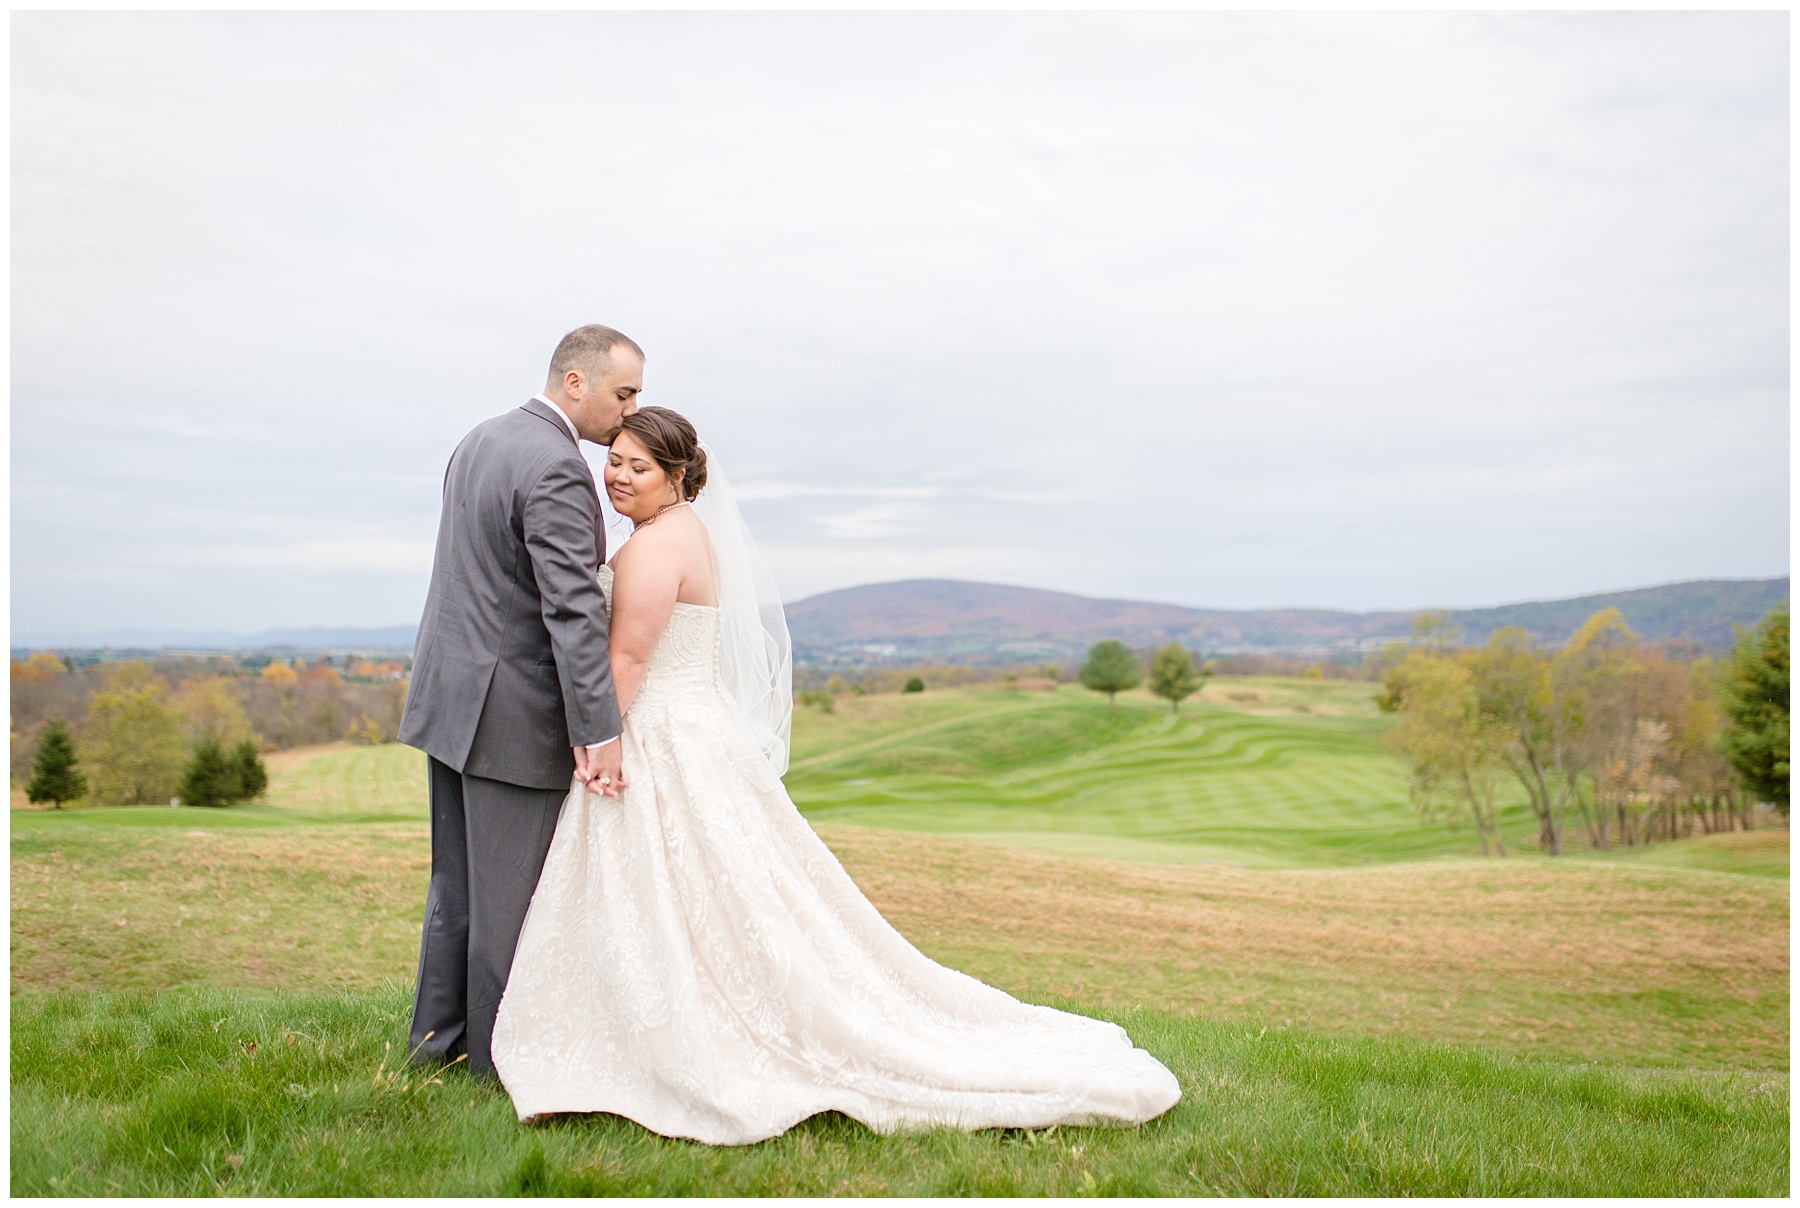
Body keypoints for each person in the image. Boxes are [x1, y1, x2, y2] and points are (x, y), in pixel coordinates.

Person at [491, 406, 1181, 1144]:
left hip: (659, 731)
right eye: (616, 461)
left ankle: (675, 1037)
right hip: (692, 726)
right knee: (699, 891)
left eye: (638, 467)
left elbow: (627, 659)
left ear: (679, 477)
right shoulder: (680, 533)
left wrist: (600, 741)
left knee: (681, 888)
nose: (618, 476)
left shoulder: (657, 547)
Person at [396, 324, 643, 1078]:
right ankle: (500, 1066)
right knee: (510, 902)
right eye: (623, 392)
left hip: (450, 700)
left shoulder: (480, 439)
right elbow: (570, 610)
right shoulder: (558, 466)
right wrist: (598, 728)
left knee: (457, 888)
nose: (630, 411)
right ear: (576, 382)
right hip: (511, 714)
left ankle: (437, 1045)